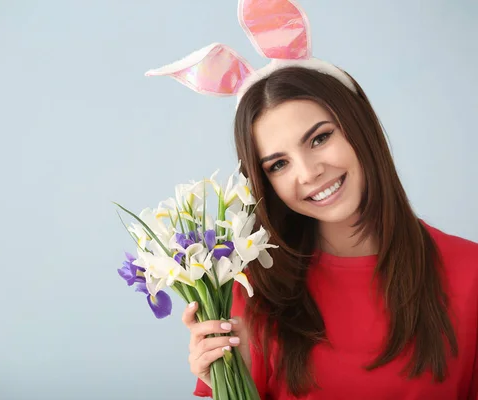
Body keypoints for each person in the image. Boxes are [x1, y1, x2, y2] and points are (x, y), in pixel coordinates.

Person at [145, 1, 478, 399]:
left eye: (320, 138)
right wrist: (226, 381)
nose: (307, 173)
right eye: (279, 164)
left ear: (360, 127)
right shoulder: (251, 289)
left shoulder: (470, 273)